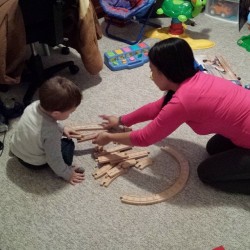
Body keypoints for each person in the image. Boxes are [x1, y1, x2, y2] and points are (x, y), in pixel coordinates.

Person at [92, 37, 250, 195]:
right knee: (213, 148)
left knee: (206, 173)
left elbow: (145, 138)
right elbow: (156, 108)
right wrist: (121, 120)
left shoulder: (184, 100)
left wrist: (109, 137)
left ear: (165, 72)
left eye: (152, 70)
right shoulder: (196, 78)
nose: (151, 76)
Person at [10, 76, 85, 185]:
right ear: (56, 114)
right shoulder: (51, 132)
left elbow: (45, 122)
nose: (71, 114)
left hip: (16, 148)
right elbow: (54, 158)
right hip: (32, 162)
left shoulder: (33, 105)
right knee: (68, 144)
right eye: (70, 112)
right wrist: (67, 173)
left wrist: (62, 128)